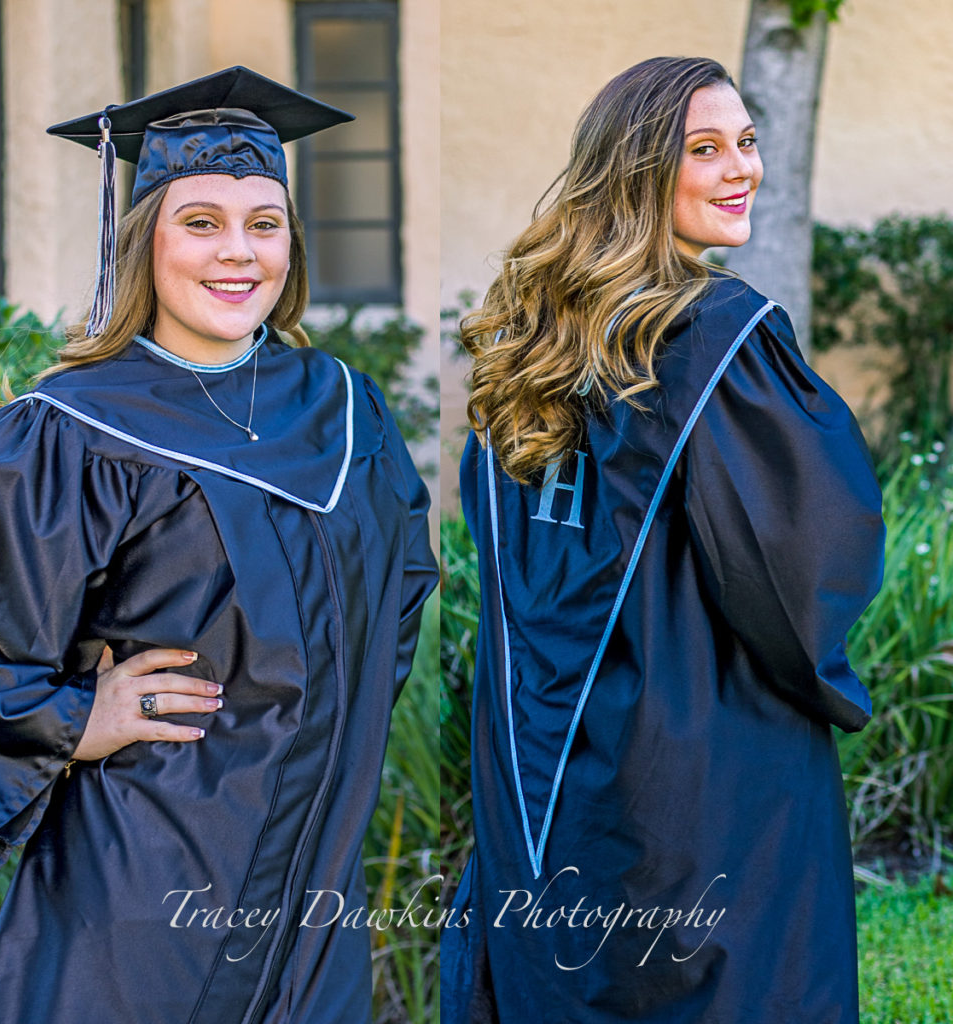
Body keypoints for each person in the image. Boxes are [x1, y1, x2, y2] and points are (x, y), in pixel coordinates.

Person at [0, 66, 437, 1023]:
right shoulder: (74, 430)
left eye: (264, 222)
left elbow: (395, 602)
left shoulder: (344, 409)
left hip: (314, 899)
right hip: (143, 895)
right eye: (199, 222)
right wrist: (73, 718)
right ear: (144, 240)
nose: (236, 253)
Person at [442, 56, 883, 1023]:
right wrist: (826, 673)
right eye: (705, 149)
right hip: (709, 775)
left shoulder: (527, 349)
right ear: (638, 171)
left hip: (545, 776)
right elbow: (802, 570)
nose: (742, 169)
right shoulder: (719, 341)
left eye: (748, 143)